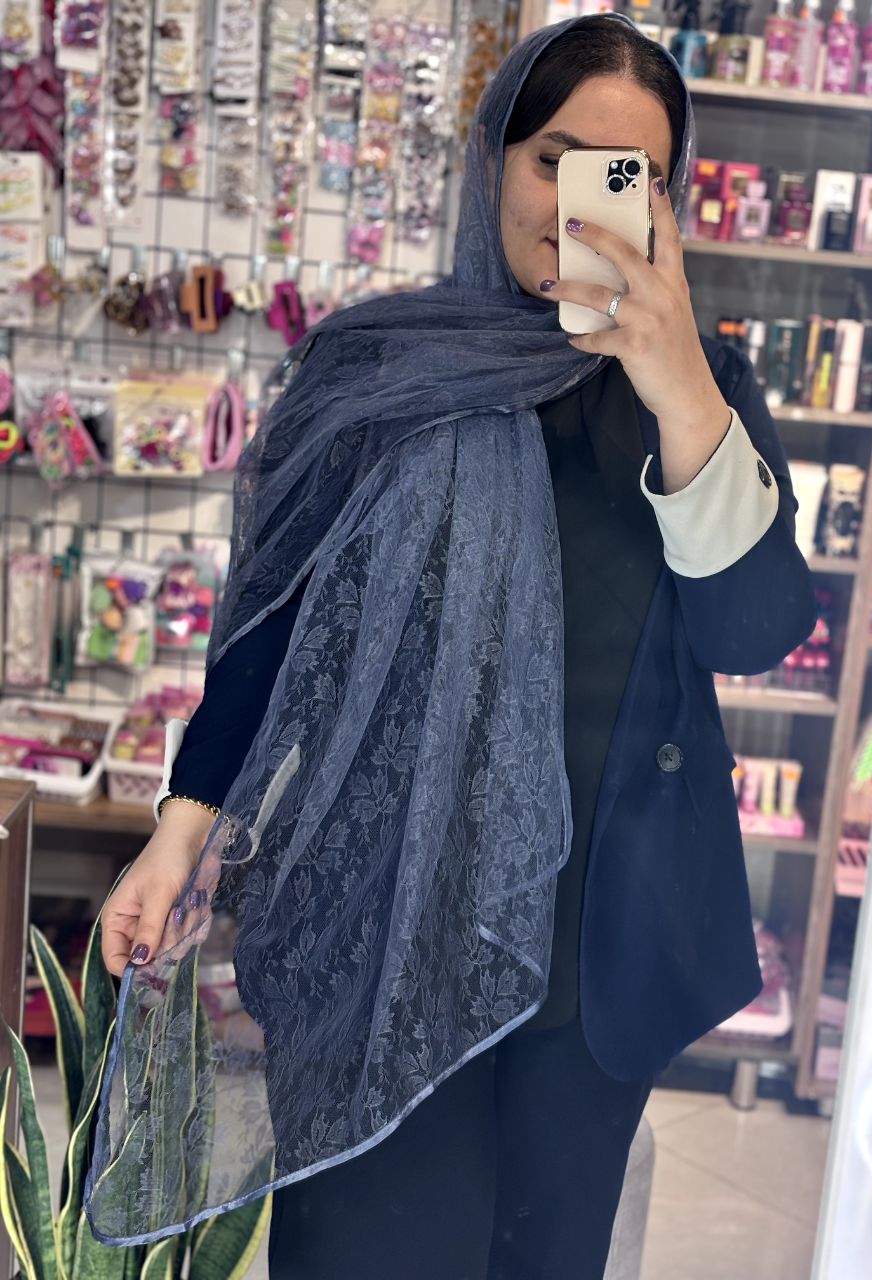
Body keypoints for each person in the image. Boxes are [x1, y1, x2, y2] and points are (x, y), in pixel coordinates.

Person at [92, 13, 816, 1279]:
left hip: (597, 951)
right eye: (555, 160)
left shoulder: (701, 390)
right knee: (367, 1247)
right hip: (385, 918)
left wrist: (680, 387)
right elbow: (271, 627)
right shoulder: (378, 371)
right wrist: (181, 826)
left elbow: (753, 628)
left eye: (629, 176)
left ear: (669, 200)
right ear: (491, 161)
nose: (580, 204)